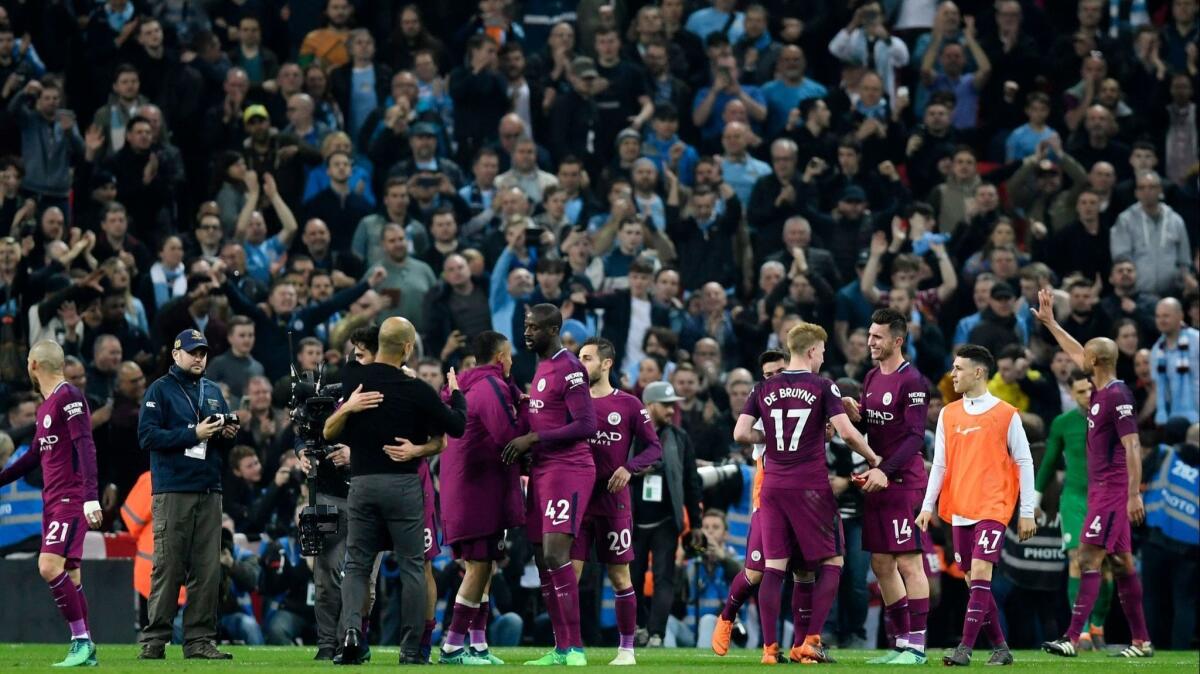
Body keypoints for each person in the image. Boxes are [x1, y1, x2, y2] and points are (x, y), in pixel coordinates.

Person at [733, 322, 886, 664]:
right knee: (833, 560)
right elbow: (846, 434)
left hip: (772, 486)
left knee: (774, 567)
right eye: (823, 351)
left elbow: (741, 433)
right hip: (811, 488)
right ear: (813, 350)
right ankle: (810, 641)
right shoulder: (822, 386)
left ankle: (770, 649)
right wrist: (875, 458)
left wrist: (769, 439)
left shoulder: (763, 387)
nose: (823, 356)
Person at [322, 317, 466, 665]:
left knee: (356, 564)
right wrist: (457, 392)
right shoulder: (416, 389)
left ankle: (352, 634)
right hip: (402, 485)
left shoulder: (353, 378)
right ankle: (412, 649)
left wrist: (349, 407)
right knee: (412, 567)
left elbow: (331, 433)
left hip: (361, 483)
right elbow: (456, 428)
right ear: (407, 348)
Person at [1033, 289, 1155, 659]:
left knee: (1087, 558)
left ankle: (1072, 637)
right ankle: (1142, 642)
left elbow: (1133, 445)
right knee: (1120, 563)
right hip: (1106, 491)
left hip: (1112, 491)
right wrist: (1052, 323)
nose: (1077, 358)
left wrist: (1133, 494)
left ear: (1096, 360)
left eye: (1085, 354)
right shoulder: (1101, 390)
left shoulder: (1117, 396)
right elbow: (1074, 350)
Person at [916, 344, 1037, 666]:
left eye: (958, 368)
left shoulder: (1006, 413)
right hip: (960, 507)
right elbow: (939, 464)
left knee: (981, 573)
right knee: (974, 582)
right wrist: (928, 506)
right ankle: (1001, 648)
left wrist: (1026, 511)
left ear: (978, 372)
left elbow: (1025, 461)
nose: (952, 374)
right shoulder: (948, 413)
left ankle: (965, 649)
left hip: (994, 506)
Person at [501, 303, 598, 666]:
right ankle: (561, 647)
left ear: (553, 329)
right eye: (525, 326)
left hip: (568, 468)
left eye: (533, 327)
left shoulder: (571, 368)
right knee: (543, 559)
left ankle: (575, 648)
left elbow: (587, 425)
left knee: (558, 555)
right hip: (544, 470)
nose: (526, 332)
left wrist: (534, 439)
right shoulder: (542, 367)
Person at [137, 329, 239, 660]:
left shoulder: (212, 391)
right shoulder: (160, 390)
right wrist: (193, 432)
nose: (199, 358)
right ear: (176, 354)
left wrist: (227, 433)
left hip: (209, 488)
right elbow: (148, 436)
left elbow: (221, 444)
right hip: (173, 489)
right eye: (193, 352)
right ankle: (154, 640)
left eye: (203, 353)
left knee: (208, 569)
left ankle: (199, 641)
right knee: (168, 565)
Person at [0, 341, 101, 667]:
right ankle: (86, 650)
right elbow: (33, 456)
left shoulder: (69, 396)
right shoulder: (47, 406)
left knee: (47, 566)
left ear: (33, 366)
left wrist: (90, 498)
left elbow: (85, 446)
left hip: (71, 499)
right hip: (53, 500)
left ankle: (81, 642)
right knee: (70, 574)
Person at [572, 338, 663, 665]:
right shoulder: (572, 401)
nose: (580, 363)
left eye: (587, 358)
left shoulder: (628, 403)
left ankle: (626, 650)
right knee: (570, 576)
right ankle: (568, 649)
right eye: (579, 358)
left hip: (614, 502)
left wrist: (629, 467)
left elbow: (654, 448)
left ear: (606, 363)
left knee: (620, 577)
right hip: (578, 501)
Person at [437, 331, 524, 665]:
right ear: (500, 357)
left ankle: (479, 644)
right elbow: (508, 436)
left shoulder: (468, 385)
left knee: (482, 568)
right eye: (511, 356)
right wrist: (535, 434)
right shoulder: (490, 388)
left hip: (469, 489)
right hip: (477, 492)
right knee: (478, 569)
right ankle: (452, 647)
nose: (513, 362)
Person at [854, 309, 932, 665]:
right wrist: (853, 416)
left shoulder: (912, 380)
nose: (871, 342)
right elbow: (873, 425)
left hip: (902, 483)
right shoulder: (870, 377)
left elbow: (915, 436)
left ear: (897, 341)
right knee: (882, 563)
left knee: (908, 562)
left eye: (878, 337)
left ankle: (917, 646)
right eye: (870, 335)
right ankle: (902, 643)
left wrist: (885, 470)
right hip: (878, 482)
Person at [711, 349, 787, 656]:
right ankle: (728, 615)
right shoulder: (761, 397)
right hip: (767, 493)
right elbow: (741, 433)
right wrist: (775, 432)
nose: (773, 380)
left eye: (779, 373)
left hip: (802, 496)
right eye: (768, 375)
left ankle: (799, 645)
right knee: (757, 572)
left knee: (804, 572)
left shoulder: (810, 394)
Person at [1035, 371, 1113, 650]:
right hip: (1075, 497)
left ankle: (1098, 625)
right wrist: (1035, 498)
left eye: (1091, 391)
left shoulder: (1114, 418)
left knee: (1104, 566)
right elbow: (1049, 461)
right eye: (1080, 392)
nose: (1087, 397)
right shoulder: (1063, 423)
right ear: (1071, 393)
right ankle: (1079, 633)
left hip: (1105, 499)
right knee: (1077, 559)